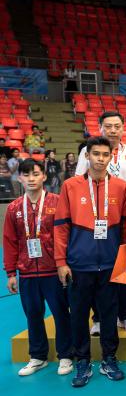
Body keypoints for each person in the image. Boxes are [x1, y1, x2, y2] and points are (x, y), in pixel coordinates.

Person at [55, 136, 126, 387]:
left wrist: (124, 262)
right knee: (78, 315)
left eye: (105, 154)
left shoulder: (121, 187)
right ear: (87, 156)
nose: (100, 159)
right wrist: (61, 261)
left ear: (111, 157)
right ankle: (82, 361)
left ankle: (109, 358)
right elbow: (60, 227)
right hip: (79, 265)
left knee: (109, 314)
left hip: (110, 264)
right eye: (96, 154)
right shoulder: (70, 186)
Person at [4, 159, 73, 377]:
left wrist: (65, 264)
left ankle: (66, 355)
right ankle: (38, 356)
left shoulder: (58, 201)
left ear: (44, 176)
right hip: (26, 272)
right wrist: (10, 273)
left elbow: (66, 236)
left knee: (61, 314)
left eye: (35, 174)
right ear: (20, 178)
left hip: (53, 271)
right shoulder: (14, 207)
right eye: (26, 175)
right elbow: (10, 241)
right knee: (33, 315)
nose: (31, 179)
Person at [76, 112, 126, 336]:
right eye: (108, 126)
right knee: (98, 269)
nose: (113, 130)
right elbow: (79, 182)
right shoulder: (90, 151)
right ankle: (99, 318)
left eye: (117, 126)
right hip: (95, 217)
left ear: (124, 128)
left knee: (124, 265)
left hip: (125, 215)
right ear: (100, 128)